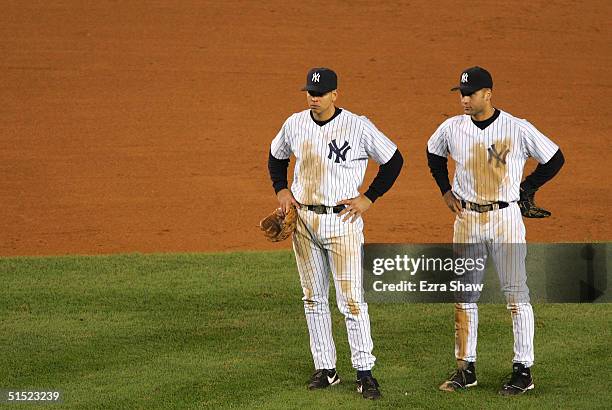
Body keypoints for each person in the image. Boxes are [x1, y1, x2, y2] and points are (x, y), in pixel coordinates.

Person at [426, 66, 564, 395]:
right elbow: (433, 153)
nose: (463, 98)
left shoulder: (517, 128)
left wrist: (526, 188)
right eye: (461, 93)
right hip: (467, 220)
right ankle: (465, 368)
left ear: (487, 94)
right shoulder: (451, 128)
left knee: (516, 295)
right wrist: (445, 189)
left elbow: (554, 158)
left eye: (470, 93)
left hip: (505, 220)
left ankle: (523, 370)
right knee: (464, 296)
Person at [267, 67, 403, 400]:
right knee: (313, 298)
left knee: (351, 300)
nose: (313, 97)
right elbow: (276, 156)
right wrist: (282, 190)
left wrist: (368, 198)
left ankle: (364, 372)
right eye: (310, 92)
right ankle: (326, 369)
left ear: (334, 95)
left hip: (341, 223)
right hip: (303, 221)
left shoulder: (357, 126)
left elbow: (394, 159)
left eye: (320, 92)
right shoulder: (295, 123)